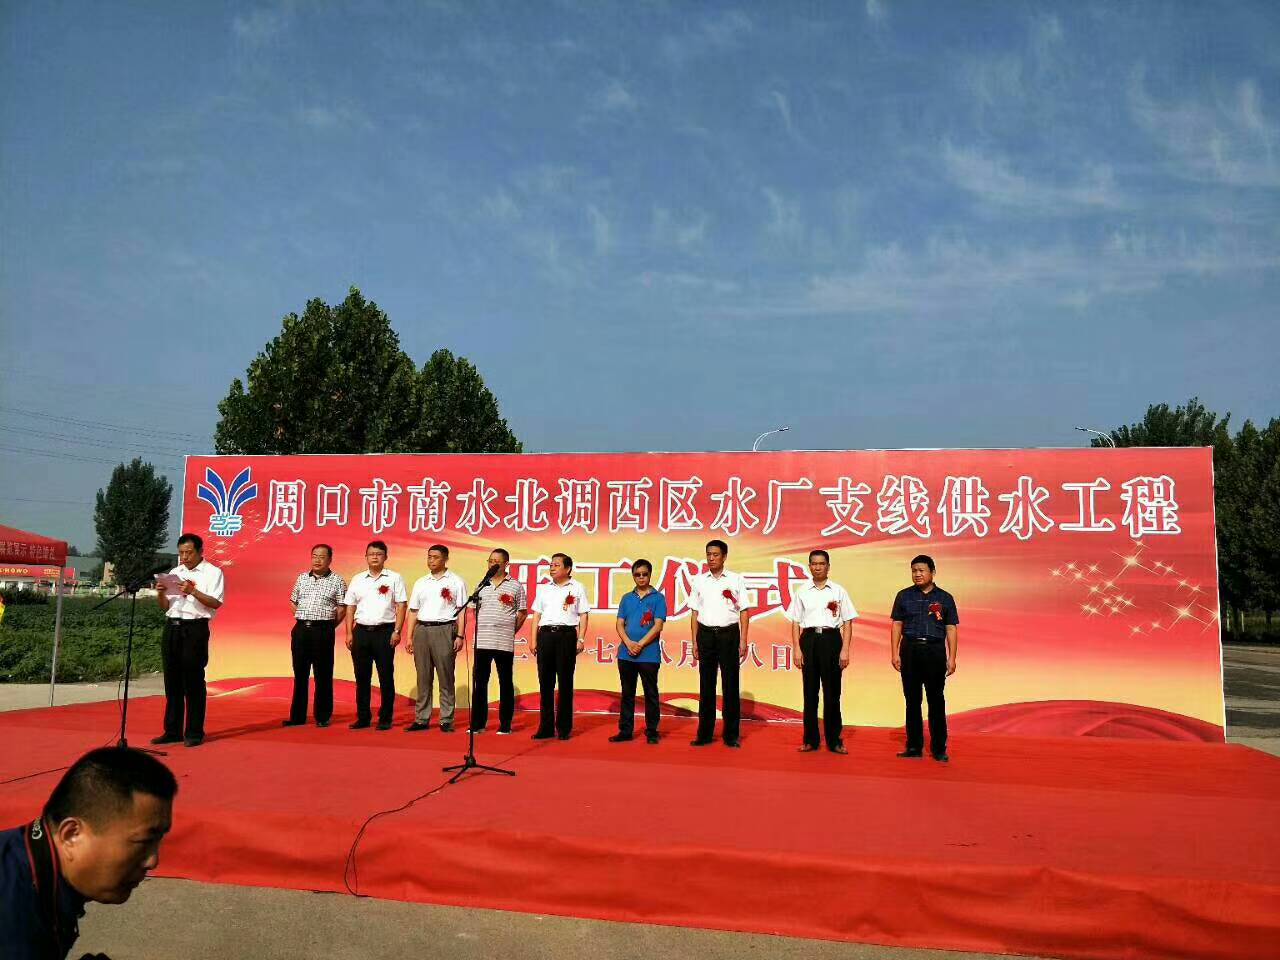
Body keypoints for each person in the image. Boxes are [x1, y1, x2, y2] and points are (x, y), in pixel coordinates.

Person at [0, 746, 177, 960]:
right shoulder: (14, 914)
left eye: (158, 841)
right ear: (71, 835)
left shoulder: (34, 863)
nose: (152, 861)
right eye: (143, 841)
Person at [152, 533, 224, 748]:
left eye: (189, 553)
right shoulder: (176, 572)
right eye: (181, 553)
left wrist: (193, 591)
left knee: (193, 681)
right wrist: (160, 593)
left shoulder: (213, 572)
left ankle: (194, 731)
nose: (184, 557)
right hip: (172, 627)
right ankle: (172, 730)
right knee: (172, 681)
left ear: (200, 552)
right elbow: (166, 607)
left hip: (195, 629)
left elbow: (215, 602)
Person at [785, 550, 857, 754]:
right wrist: (797, 649)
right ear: (809, 566)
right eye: (814, 564)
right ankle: (810, 740)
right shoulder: (802, 591)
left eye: (821, 564)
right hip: (808, 640)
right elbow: (795, 622)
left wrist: (845, 650)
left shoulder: (838, 591)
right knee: (810, 693)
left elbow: (848, 622)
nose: (817, 567)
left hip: (831, 640)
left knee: (832, 693)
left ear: (828, 566)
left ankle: (835, 741)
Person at [890, 554, 959, 762]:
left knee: (936, 699)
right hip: (910, 650)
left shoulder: (945, 598)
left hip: (934, 650)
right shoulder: (904, 596)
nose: (917, 574)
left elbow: (951, 628)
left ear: (932, 572)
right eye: (914, 571)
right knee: (912, 700)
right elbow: (897, 625)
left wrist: (952, 657)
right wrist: (894, 653)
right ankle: (914, 747)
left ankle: (939, 748)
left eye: (921, 570)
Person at [687, 539, 750, 748]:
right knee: (706, 685)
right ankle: (704, 734)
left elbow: (744, 611)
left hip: (729, 634)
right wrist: (695, 641)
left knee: (730, 685)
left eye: (715, 555)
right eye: (708, 554)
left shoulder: (736, 579)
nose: (711, 558)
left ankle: (731, 736)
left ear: (724, 557)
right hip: (705, 634)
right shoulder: (699, 581)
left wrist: (743, 640)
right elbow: (694, 612)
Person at [343, 540, 407, 731]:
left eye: (379, 554)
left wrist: (397, 631)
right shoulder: (358, 579)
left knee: (386, 676)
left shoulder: (394, 578)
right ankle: (363, 717)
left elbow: (401, 605)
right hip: (361, 632)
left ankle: (385, 718)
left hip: (384, 632)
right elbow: (350, 606)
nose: (375, 557)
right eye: (371, 554)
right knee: (361, 677)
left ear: (385, 557)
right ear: (366, 557)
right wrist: (349, 632)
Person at [402, 545, 467, 733]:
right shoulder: (421, 582)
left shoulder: (456, 581)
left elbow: (462, 611)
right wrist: (409, 636)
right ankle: (421, 719)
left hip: (445, 629)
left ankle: (446, 719)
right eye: (429, 557)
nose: (431, 560)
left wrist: (460, 635)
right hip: (422, 630)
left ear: (445, 559)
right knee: (423, 677)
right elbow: (413, 611)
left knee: (446, 676)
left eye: (436, 557)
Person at [284, 544, 347, 728]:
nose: (317, 560)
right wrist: (304, 618)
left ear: (330, 560)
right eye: (314, 556)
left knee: (323, 674)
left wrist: (327, 626)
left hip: (323, 631)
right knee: (300, 674)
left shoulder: (337, 580)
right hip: (301, 630)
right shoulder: (302, 578)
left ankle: (322, 716)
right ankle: (297, 717)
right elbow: (293, 602)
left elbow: (342, 608)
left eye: (322, 557)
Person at [528, 553, 589, 741]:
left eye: (556, 565)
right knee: (545, 684)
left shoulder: (577, 587)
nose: (552, 568)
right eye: (551, 565)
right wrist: (533, 640)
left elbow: (584, 614)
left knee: (565, 683)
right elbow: (536, 615)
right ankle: (546, 728)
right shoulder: (544, 588)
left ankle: (564, 728)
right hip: (545, 635)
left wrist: (581, 639)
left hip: (566, 636)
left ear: (568, 569)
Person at [468, 548, 527, 736]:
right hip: (482, 641)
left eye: (497, 561)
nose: (493, 564)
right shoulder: (481, 585)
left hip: (503, 642)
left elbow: (522, 612)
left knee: (505, 683)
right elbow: (473, 609)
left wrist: (510, 630)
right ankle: (478, 724)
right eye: (490, 561)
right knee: (480, 683)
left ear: (506, 564)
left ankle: (505, 724)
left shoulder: (515, 586)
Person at [610, 559, 667, 745]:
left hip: (649, 655)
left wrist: (640, 644)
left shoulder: (658, 598)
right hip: (626, 654)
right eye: (637, 574)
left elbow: (658, 626)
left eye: (644, 574)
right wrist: (628, 643)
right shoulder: (627, 598)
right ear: (633, 576)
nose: (641, 577)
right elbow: (619, 624)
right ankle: (625, 731)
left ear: (650, 575)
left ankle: (652, 731)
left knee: (651, 694)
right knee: (627, 694)